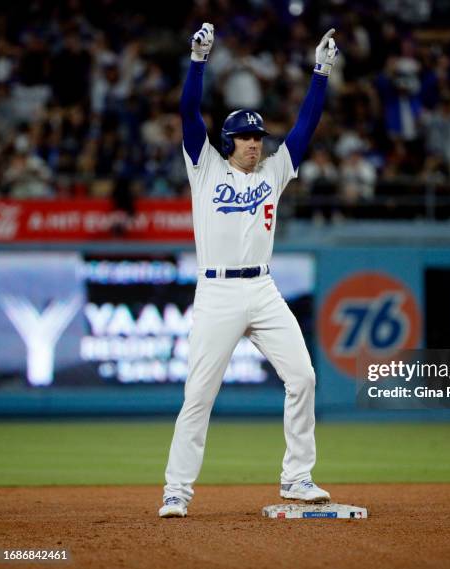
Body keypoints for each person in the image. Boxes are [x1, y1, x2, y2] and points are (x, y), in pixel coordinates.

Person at [159, 23, 339, 518]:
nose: (255, 143)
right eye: (245, 137)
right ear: (227, 141)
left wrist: (320, 73)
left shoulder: (275, 171)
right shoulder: (205, 166)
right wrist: (198, 61)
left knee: (302, 376)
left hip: (261, 287)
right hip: (216, 292)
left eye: (258, 136)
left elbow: (305, 127)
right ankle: (177, 490)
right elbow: (188, 112)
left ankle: (298, 478)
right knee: (198, 394)